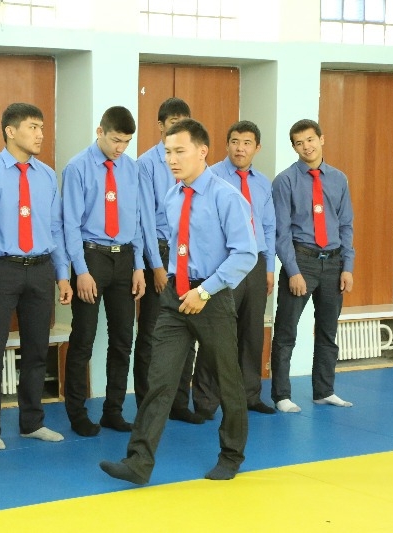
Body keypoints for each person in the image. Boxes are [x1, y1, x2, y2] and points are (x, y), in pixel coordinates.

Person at [99, 118, 257, 484]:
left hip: (211, 296)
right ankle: (138, 463)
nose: (172, 159)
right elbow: (179, 247)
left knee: (227, 380)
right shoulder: (173, 198)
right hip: (175, 296)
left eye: (179, 151)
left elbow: (245, 254)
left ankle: (231, 456)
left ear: (202, 152)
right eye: (168, 152)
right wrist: (176, 285)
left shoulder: (226, 197)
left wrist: (205, 291)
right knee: (159, 380)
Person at [0, 102, 73, 451]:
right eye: (33, 127)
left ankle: (32, 423)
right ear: (10, 131)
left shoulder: (46, 175)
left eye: (42, 127)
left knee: (36, 351)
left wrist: (62, 275)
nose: (40, 134)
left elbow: (55, 228)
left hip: (41, 268)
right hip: (1, 269)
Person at [62, 106, 147, 437]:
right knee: (83, 337)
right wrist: (81, 270)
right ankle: (77, 412)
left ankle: (113, 410)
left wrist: (138, 266)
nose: (120, 148)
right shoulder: (77, 167)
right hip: (91, 257)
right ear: (100, 132)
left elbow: (136, 220)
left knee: (123, 338)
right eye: (115, 140)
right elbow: (70, 224)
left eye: (126, 142)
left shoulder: (132, 169)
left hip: (124, 259)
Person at [192, 120, 277, 416]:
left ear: (257, 148)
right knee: (216, 332)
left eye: (247, 143)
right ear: (227, 144)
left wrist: (269, 267)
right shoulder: (211, 176)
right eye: (235, 142)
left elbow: (269, 226)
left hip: (256, 264)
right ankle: (206, 401)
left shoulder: (263, 183)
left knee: (252, 332)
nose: (240, 148)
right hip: (224, 263)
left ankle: (250, 395)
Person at [270, 119, 355, 413]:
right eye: (299, 143)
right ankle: (281, 395)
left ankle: (324, 390)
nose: (306, 147)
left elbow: (346, 225)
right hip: (301, 260)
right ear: (294, 147)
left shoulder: (339, 179)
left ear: (321, 139)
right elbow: (281, 232)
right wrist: (292, 270)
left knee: (328, 332)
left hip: (333, 262)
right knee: (286, 332)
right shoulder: (284, 181)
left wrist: (347, 266)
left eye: (310, 139)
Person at [135, 97, 203, 425]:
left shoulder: (194, 160)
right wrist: (157, 266)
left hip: (189, 251)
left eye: (183, 121)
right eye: (173, 121)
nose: (178, 127)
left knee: (188, 326)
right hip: (160, 252)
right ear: (161, 126)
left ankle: (179, 402)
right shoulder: (146, 164)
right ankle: (147, 406)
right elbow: (145, 219)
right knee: (152, 332)